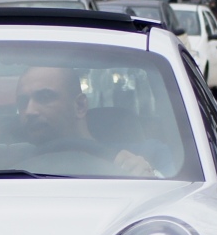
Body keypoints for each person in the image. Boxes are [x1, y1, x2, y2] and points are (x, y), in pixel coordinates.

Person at [15, 66, 156, 177]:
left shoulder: (142, 156)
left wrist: (147, 176)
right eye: (23, 102)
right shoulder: (2, 167)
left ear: (80, 106)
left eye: (45, 97)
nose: (29, 111)